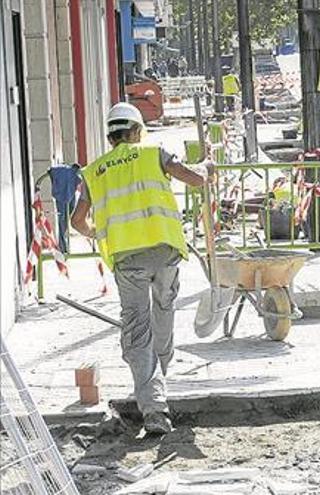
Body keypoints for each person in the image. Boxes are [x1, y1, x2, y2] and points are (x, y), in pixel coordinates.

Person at [70, 102, 212, 435]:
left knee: (137, 330)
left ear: (111, 137)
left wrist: (98, 232)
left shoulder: (94, 171)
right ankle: (154, 391)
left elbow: (78, 221)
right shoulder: (154, 153)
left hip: (127, 260)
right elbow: (195, 179)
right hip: (164, 252)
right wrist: (208, 166)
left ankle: (154, 406)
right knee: (163, 317)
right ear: (136, 131)